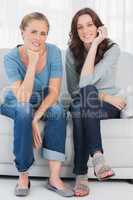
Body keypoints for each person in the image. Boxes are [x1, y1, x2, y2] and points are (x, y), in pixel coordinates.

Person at [0, 12, 74, 197]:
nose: (38, 38)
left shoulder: (54, 51)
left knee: (57, 111)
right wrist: (32, 63)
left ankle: (54, 178)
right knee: (24, 110)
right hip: (16, 101)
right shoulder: (10, 58)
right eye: (33, 32)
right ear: (22, 32)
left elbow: (54, 92)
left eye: (43, 33)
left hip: (42, 101)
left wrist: (36, 118)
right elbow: (23, 98)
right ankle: (23, 174)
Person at [65, 7, 126, 197]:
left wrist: (97, 43)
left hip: (108, 107)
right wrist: (104, 95)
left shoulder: (112, 49)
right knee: (79, 105)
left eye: (89, 25)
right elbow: (77, 89)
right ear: (75, 31)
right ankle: (98, 158)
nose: (85, 31)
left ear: (98, 26)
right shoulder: (71, 52)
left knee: (80, 104)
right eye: (80, 27)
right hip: (89, 101)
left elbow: (84, 85)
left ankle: (81, 175)